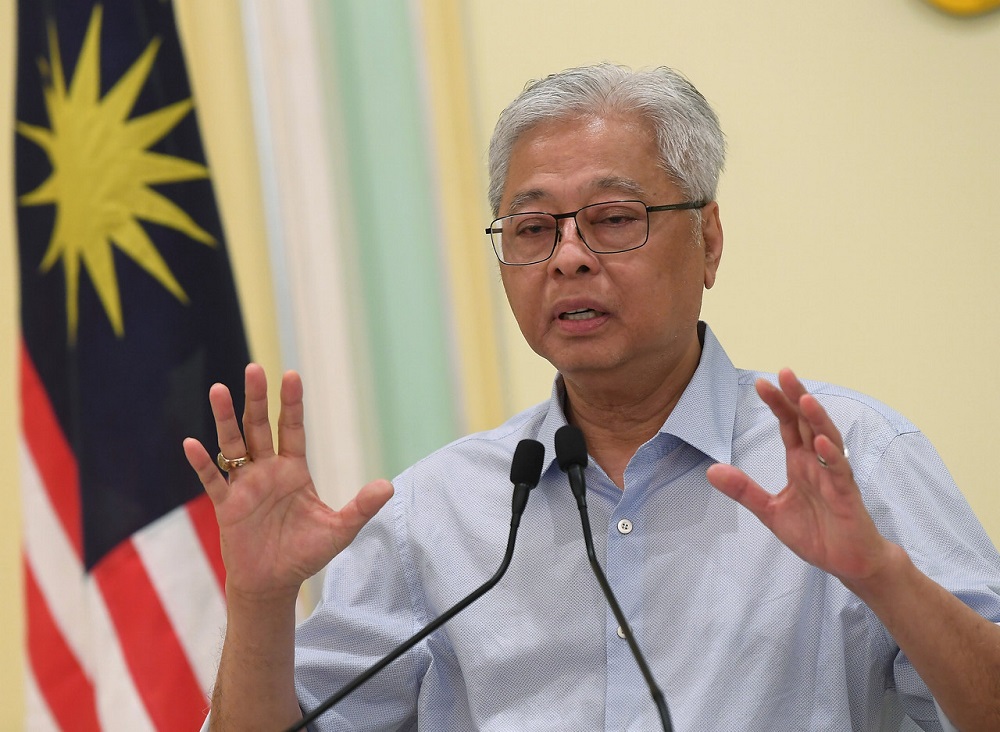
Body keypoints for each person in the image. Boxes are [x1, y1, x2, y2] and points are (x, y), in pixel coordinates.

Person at [184, 64, 1000, 731]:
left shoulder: (848, 460)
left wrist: (886, 578)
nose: (568, 258)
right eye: (533, 230)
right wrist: (260, 602)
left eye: (614, 219)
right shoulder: (430, 518)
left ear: (708, 240)